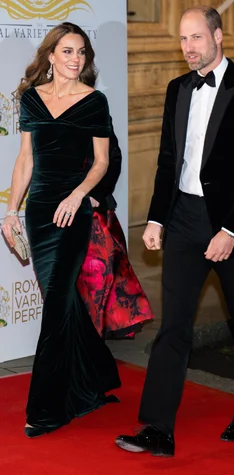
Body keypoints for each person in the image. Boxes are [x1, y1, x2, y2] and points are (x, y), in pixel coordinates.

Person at [115, 5, 234, 457]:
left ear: (219, 37)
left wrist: (231, 232)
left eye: (196, 38)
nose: (188, 48)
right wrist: (157, 219)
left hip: (232, 225)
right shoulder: (176, 89)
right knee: (174, 326)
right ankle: (158, 428)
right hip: (183, 219)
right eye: (183, 40)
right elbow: (169, 161)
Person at [0, 22, 120, 438]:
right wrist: (10, 212)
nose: (75, 59)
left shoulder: (94, 101)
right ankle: (94, 377)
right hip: (39, 213)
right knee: (65, 301)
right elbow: (25, 162)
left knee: (54, 304)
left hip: (72, 214)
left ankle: (47, 409)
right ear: (51, 56)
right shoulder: (32, 99)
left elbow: (102, 162)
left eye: (81, 52)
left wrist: (78, 195)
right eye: (67, 51)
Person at [78, 119, 155, 339]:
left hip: (94, 207)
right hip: (59, 203)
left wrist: (97, 194)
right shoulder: (49, 105)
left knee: (104, 268)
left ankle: (96, 329)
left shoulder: (96, 109)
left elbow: (114, 157)